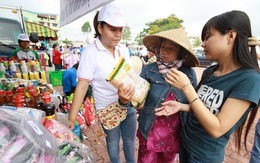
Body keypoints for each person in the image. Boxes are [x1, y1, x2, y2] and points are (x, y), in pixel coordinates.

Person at [155, 10, 260, 163]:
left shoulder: (250, 79)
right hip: (185, 144)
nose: (203, 44)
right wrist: (181, 106)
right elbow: (204, 108)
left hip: (204, 156)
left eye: (208, 37)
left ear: (230, 36)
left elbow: (217, 128)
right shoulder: (211, 71)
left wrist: (187, 88)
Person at [68, 4, 137, 163]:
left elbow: (129, 76)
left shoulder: (124, 50)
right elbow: (82, 86)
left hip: (127, 105)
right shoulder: (90, 53)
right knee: (113, 145)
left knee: (130, 142)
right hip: (107, 109)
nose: (118, 34)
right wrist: (72, 118)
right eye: (113, 29)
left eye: (120, 30)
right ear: (100, 28)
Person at [137, 28, 198, 163]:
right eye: (163, 47)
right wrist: (127, 98)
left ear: (181, 52)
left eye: (170, 48)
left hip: (174, 134)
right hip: (149, 130)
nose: (164, 51)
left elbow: (195, 104)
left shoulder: (189, 74)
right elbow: (136, 98)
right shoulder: (149, 70)